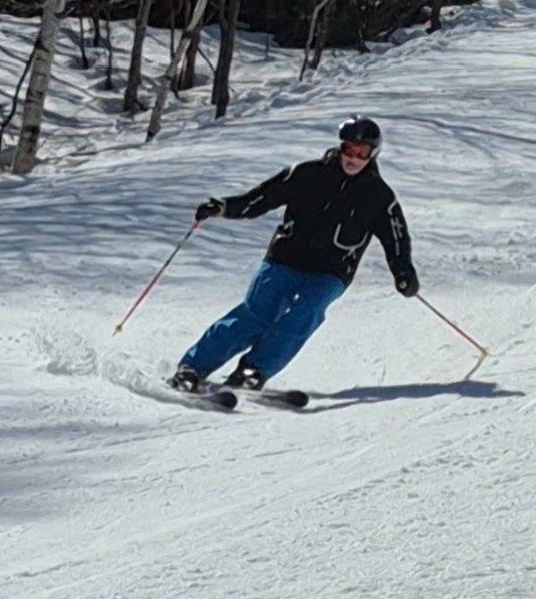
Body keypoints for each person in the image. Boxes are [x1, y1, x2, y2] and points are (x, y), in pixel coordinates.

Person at [167, 117, 417, 393]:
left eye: (361, 153)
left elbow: (396, 237)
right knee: (258, 313)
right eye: (349, 149)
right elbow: (261, 198)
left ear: (373, 154)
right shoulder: (307, 174)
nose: (353, 159)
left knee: (306, 311)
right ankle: (193, 368)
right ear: (341, 146)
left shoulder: (379, 196)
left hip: (332, 271)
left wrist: (403, 271)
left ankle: (253, 371)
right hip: (286, 258)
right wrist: (223, 207)